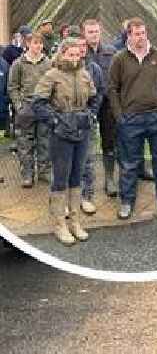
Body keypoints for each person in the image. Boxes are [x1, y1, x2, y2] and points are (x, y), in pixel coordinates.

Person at [108, 17, 157, 219]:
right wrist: (119, 116)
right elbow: (112, 89)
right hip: (130, 120)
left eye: (143, 33)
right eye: (137, 33)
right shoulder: (119, 59)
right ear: (128, 35)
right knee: (129, 163)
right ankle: (127, 201)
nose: (141, 37)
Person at [32, 38, 98, 246]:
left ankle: (75, 222)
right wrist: (55, 121)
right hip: (61, 134)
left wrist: (90, 116)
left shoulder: (85, 74)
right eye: (70, 54)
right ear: (61, 54)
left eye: (77, 54)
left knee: (77, 176)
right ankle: (60, 223)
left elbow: (95, 98)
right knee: (61, 178)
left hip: (81, 131)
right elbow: (38, 103)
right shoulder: (52, 75)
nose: (74, 57)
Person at [8, 33, 52, 188]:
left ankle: (44, 171)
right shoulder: (18, 63)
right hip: (26, 108)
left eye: (40, 43)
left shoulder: (48, 63)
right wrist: (19, 105)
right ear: (27, 44)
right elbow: (13, 87)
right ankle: (27, 174)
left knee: (45, 141)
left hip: (44, 108)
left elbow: (53, 84)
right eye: (35, 43)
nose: (38, 46)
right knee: (25, 143)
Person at [83, 19, 119, 197]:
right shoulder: (80, 53)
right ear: (84, 33)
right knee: (85, 141)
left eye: (96, 31)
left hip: (107, 104)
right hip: (87, 103)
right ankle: (84, 182)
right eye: (90, 32)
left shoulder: (111, 52)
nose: (94, 35)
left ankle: (110, 179)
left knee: (109, 141)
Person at [76, 34, 105, 215]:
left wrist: (92, 112)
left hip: (86, 121)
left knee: (87, 161)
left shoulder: (94, 68)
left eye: (83, 46)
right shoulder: (59, 69)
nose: (80, 50)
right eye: (77, 46)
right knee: (66, 163)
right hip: (65, 123)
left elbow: (100, 91)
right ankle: (69, 199)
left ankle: (86, 197)